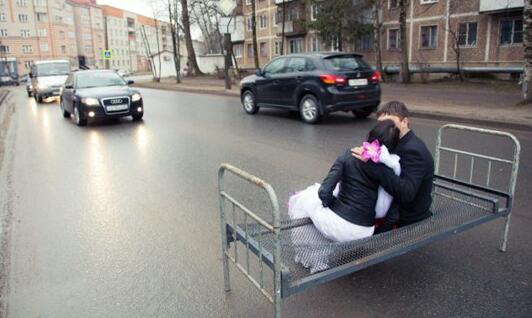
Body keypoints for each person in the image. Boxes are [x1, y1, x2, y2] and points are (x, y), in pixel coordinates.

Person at [288, 120, 401, 243]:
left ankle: (309, 256)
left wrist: (334, 206)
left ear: (370, 136)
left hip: (338, 227)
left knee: (304, 200)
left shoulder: (348, 156)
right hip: (365, 232)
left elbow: (324, 192)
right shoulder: (390, 168)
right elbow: (388, 208)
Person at [353, 101, 434, 234]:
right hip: (391, 206)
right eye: (381, 124)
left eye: (390, 123)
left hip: (407, 215)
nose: (385, 127)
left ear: (404, 122)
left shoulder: (414, 150)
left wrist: (372, 164)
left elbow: (406, 193)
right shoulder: (393, 140)